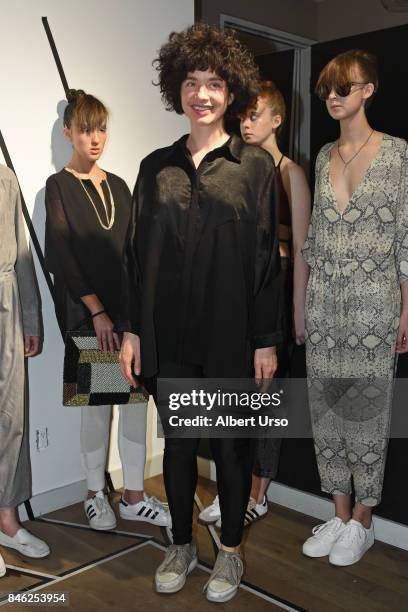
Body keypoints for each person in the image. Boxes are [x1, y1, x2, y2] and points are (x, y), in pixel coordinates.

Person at [118, 23, 281, 603]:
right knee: (181, 444)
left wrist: (266, 339)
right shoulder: (153, 167)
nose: (202, 94)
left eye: (213, 83)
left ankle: (230, 553)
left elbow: (267, 260)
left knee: (233, 447)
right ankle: (182, 544)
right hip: (171, 336)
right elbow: (136, 257)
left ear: (230, 91)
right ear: (177, 89)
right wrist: (134, 330)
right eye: (191, 82)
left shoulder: (256, 168)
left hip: (231, 336)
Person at [44, 90, 170, 532]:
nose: (95, 138)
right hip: (91, 316)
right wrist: (97, 311)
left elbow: (135, 252)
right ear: (68, 133)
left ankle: (134, 496)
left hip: (128, 319)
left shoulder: (118, 184)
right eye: (85, 130)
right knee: (97, 407)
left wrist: (134, 316)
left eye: (100, 129)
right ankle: (95, 494)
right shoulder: (58, 186)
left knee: (136, 403)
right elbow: (61, 254)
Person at [301, 50, 408, 566]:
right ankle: (339, 514)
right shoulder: (322, 156)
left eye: (343, 87)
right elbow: (315, 236)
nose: (333, 97)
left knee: (365, 415)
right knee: (326, 411)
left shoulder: (398, 154)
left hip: (373, 305)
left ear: (369, 89)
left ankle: (363, 521)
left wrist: (407, 308)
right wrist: (302, 304)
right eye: (326, 90)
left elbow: (406, 238)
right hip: (323, 301)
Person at [199, 81, 311, 529]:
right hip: (237, 290)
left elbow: (301, 246)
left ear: (276, 120)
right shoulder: (236, 168)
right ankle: (233, 487)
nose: (245, 123)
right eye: (242, 115)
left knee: (268, 393)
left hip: (279, 287)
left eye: (255, 115)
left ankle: (256, 493)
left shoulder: (290, 173)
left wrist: (298, 309)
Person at [0, 165, 48, 574]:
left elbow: (22, 251)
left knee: (12, 416)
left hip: (7, 302)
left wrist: (30, 317)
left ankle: (7, 519)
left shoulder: (4, 177)